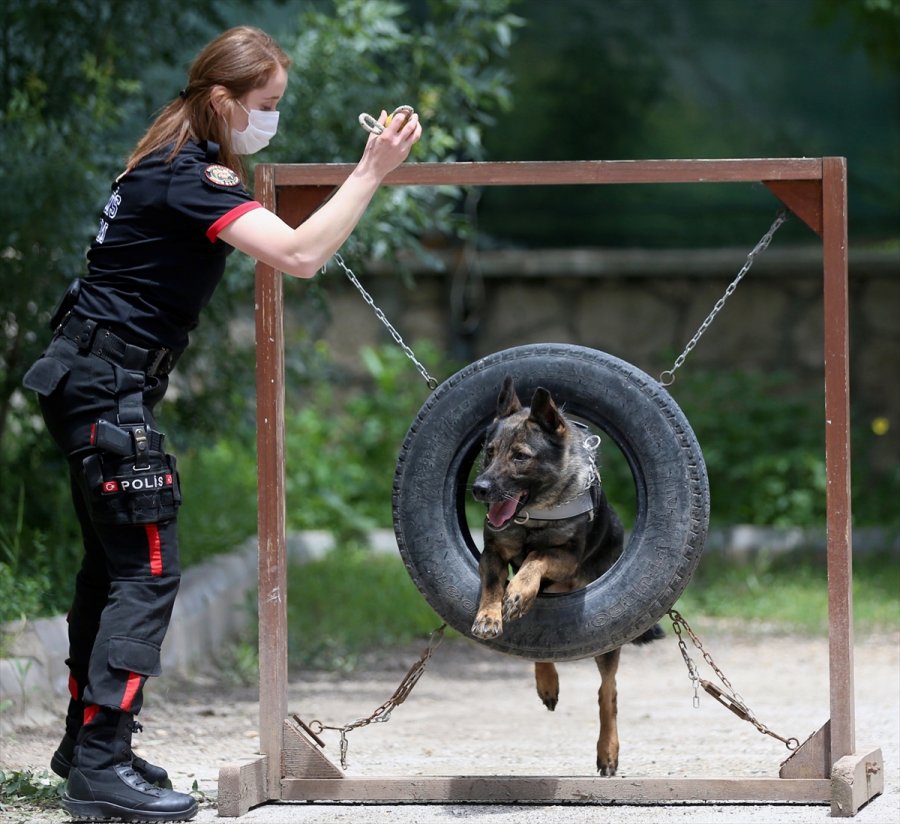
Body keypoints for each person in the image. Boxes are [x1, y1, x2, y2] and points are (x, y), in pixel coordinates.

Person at [22, 25, 421, 823]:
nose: (271, 117)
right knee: (147, 572)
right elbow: (300, 255)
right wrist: (372, 171)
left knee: (111, 569)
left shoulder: (168, 162)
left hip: (91, 377)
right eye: (265, 103)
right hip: (105, 387)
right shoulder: (187, 176)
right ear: (221, 99)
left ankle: (87, 744)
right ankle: (100, 765)